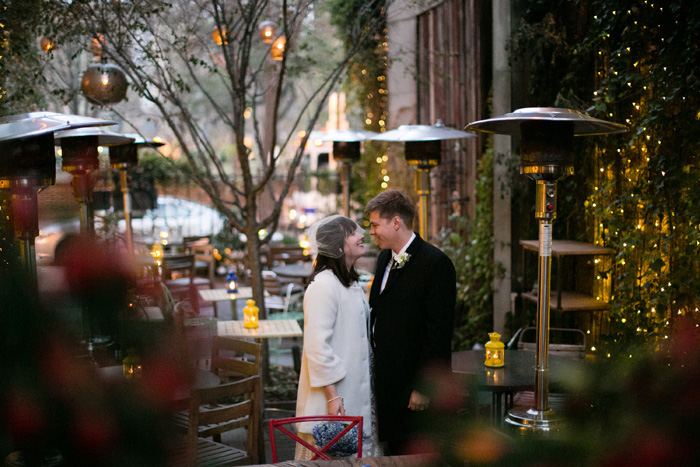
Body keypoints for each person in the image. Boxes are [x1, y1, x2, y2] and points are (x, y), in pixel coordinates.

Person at [366, 190, 456, 454]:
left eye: (374, 225)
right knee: (392, 452)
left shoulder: (436, 263)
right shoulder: (384, 258)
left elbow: (439, 332)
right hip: (387, 382)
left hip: (414, 388)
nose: (371, 232)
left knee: (413, 453)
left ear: (396, 222)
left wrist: (423, 387)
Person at [295, 215, 383, 459]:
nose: (362, 235)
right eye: (353, 233)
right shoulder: (323, 286)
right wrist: (333, 396)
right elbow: (317, 347)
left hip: (357, 393)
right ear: (338, 246)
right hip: (335, 402)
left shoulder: (349, 283)